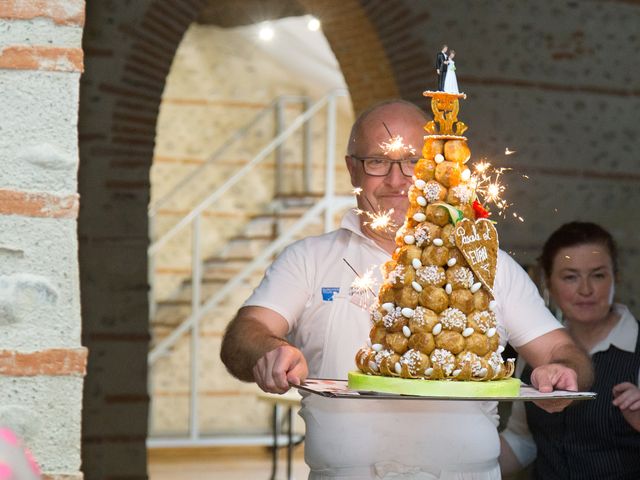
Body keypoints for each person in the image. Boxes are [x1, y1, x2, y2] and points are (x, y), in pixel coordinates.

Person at [220, 100, 593, 480]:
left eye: (414, 162)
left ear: (437, 170)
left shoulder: (485, 263)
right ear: (353, 169)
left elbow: (562, 351)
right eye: (377, 162)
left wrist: (562, 372)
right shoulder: (309, 259)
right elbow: (243, 335)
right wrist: (269, 350)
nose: (397, 181)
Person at [500, 222, 640, 479]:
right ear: (548, 283)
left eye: (598, 275)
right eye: (570, 277)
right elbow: (523, 441)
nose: (585, 290)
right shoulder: (535, 349)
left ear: (615, 277)